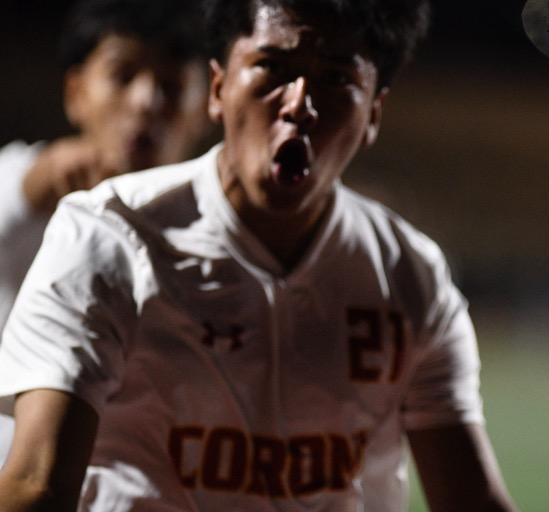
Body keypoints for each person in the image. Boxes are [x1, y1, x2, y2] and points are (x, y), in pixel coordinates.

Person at [0, 0, 519, 510]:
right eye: (272, 68)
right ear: (220, 88)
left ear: (374, 114)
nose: (299, 104)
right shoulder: (108, 235)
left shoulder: (410, 275)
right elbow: (36, 485)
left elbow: (471, 498)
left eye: (337, 79)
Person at [0, 0, 211, 467]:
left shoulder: (218, 225)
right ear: (75, 93)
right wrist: (35, 184)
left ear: (209, 103)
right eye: (122, 75)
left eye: (172, 86)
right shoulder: (25, 180)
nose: (145, 101)